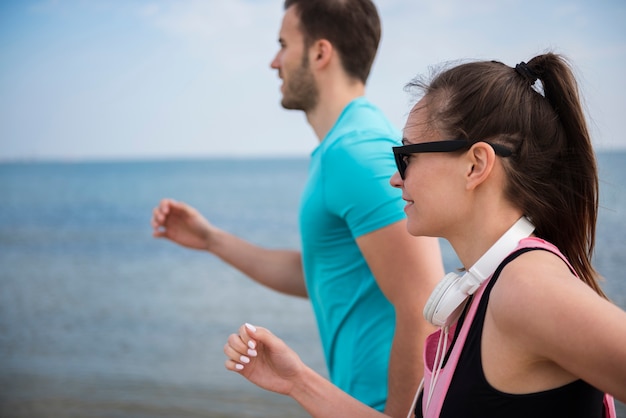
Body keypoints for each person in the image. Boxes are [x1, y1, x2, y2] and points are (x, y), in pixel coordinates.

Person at [223, 52, 626, 417]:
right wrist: (298, 381)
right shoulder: (481, 290)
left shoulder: (526, 287)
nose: (396, 179)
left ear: (475, 165)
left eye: (408, 156)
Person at [151, 0, 444, 414]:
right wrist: (211, 239)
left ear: (320, 53)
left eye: (284, 44)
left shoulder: (356, 151)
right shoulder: (343, 146)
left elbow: (422, 303)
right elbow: (322, 273)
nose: (274, 62)